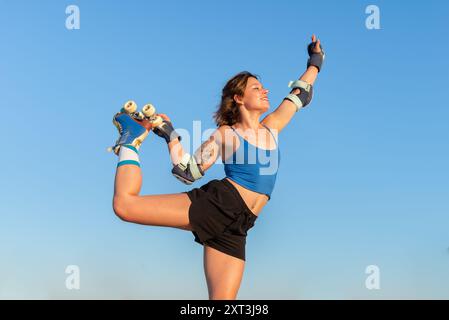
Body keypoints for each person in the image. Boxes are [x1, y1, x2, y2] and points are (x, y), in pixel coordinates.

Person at [111, 35, 325, 300]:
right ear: (238, 98)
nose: (265, 91)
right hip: (219, 204)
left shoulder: (273, 125)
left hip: (239, 225)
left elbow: (300, 93)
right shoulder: (226, 135)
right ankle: (130, 141)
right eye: (256, 88)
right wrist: (170, 135)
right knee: (125, 205)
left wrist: (315, 60)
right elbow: (187, 171)